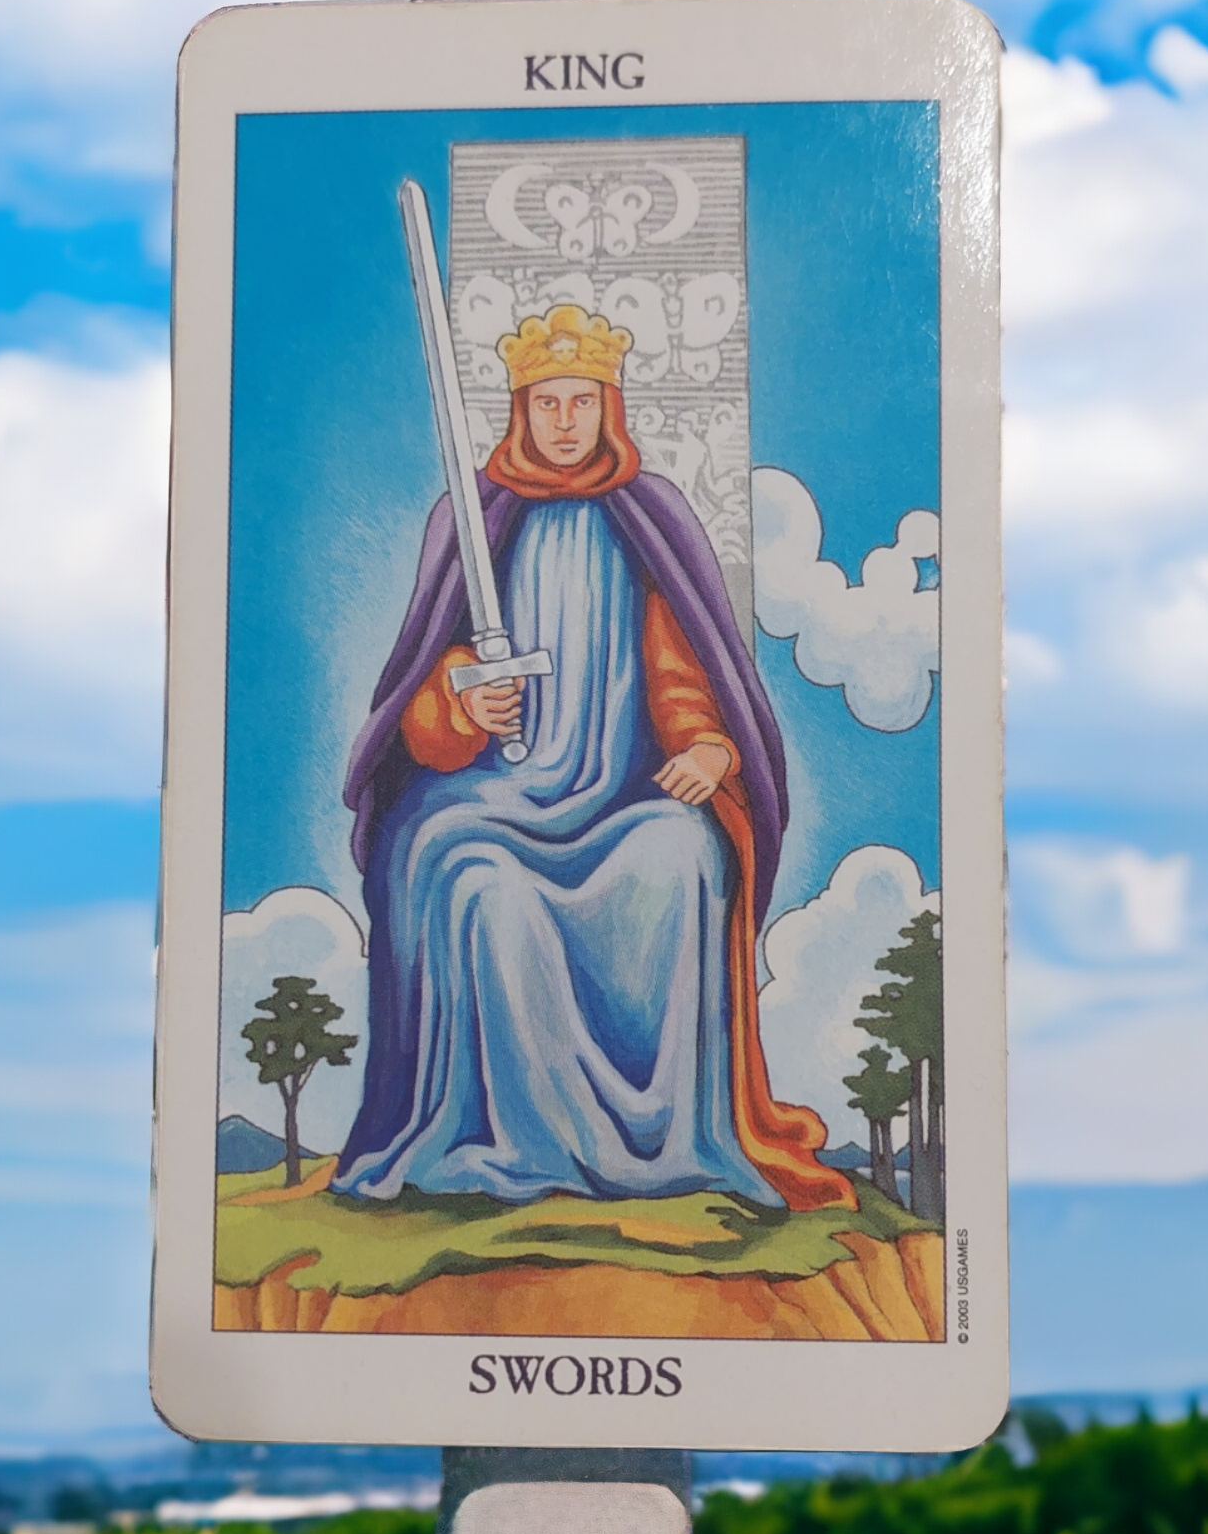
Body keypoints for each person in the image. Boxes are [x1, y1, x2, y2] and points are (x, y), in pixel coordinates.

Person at [338, 304, 852, 1212]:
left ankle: (666, 1142)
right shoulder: (470, 518)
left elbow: (681, 667)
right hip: (491, 799)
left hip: (620, 798)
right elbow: (420, 689)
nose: (565, 422)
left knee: (685, 853)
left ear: (609, 407)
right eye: (547, 403)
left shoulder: (649, 517)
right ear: (520, 411)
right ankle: (509, 1147)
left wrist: (708, 744)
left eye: (582, 402)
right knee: (475, 883)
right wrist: (462, 698)